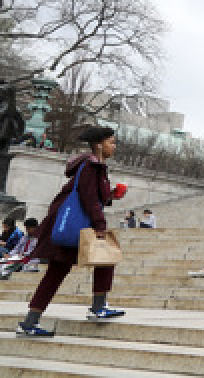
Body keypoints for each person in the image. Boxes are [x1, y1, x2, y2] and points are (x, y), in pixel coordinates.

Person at [17, 125, 127, 337]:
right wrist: (100, 225)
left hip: (69, 225)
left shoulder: (93, 166)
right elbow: (89, 199)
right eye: (111, 142)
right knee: (104, 258)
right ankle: (98, 307)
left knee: (56, 273)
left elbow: (95, 196)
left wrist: (112, 195)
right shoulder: (91, 166)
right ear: (99, 144)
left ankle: (29, 322)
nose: (114, 146)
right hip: (74, 227)